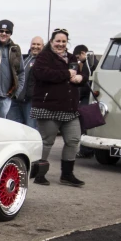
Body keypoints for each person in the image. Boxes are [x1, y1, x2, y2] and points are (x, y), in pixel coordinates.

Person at [30, 29, 88, 187]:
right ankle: (39, 175)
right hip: (48, 107)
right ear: (51, 41)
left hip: (70, 108)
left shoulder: (71, 57)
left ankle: (67, 175)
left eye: (64, 41)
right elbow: (42, 74)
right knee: (47, 142)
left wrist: (81, 78)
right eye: (58, 41)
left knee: (74, 139)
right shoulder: (43, 56)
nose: (61, 44)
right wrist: (66, 74)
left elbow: (83, 75)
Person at [7, 36, 43, 128]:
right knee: (14, 127)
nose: (35, 46)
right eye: (33, 44)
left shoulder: (44, 61)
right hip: (15, 99)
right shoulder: (24, 58)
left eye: (38, 44)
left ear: (43, 46)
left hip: (31, 101)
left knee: (31, 128)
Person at [73, 44, 99, 159]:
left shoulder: (89, 64)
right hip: (87, 97)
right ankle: (87, 149)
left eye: (78, 57)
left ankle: (86, 150)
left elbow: (85, 82)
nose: (78, 60)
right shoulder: (91, 64)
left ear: (83, 53)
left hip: (87, 97)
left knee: (84, 123)